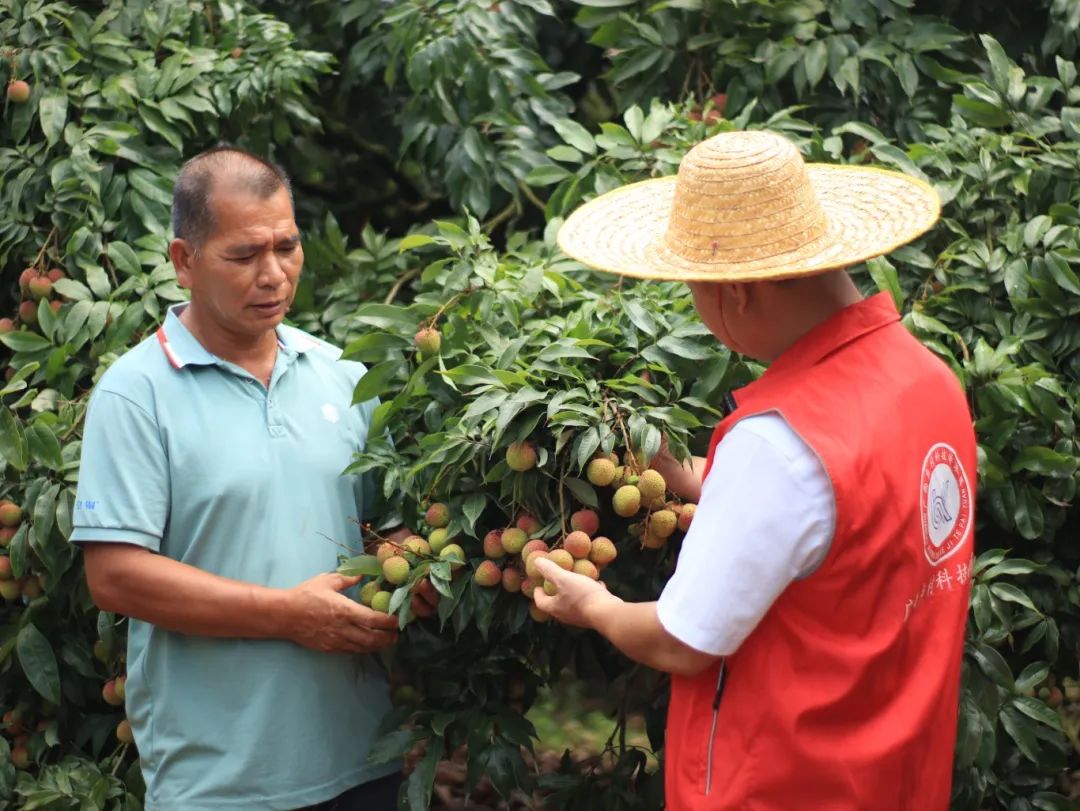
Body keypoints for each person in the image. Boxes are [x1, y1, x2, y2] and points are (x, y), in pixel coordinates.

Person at [535, 130, 976, 809]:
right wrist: (685, 473)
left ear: (736, 292)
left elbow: (685, 640)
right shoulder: (928, 383)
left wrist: (595, 607)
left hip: (783, 786)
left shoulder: (775, 444)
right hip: (898, 779)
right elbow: (843, 501)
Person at [72, 146, 431, 811]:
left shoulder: (345, 376)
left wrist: (411, 569)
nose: (273, 274)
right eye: (244, 256)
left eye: (287, 247)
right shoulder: (134, 394)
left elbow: (387, 527)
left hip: (362, 758)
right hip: (218, 780)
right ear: (185, 261)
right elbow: (114, 574)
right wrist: (288, 616)